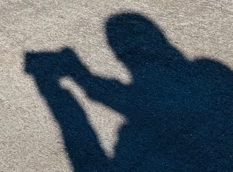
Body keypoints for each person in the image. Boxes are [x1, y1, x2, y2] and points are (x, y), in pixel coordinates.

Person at [25, 12, 233, 171]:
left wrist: (53, 82)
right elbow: (131, 100)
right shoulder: (209, 73)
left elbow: (130, 101)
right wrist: (79, 75)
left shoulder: (205, 74)